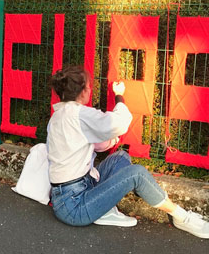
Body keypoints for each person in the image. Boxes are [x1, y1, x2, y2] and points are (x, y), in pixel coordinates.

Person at [48, 65, 209, 238]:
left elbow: (95, 144)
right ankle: (181, 217)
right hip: (74, 207)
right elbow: (119, 122)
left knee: (120, 157)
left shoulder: (59, 115)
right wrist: (119, 95)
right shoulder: (79, 114)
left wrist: (113, 140)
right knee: (136, 173)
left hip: (72, 193)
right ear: (83, 91)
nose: (90, 90)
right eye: (89, 87)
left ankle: (103, 208)